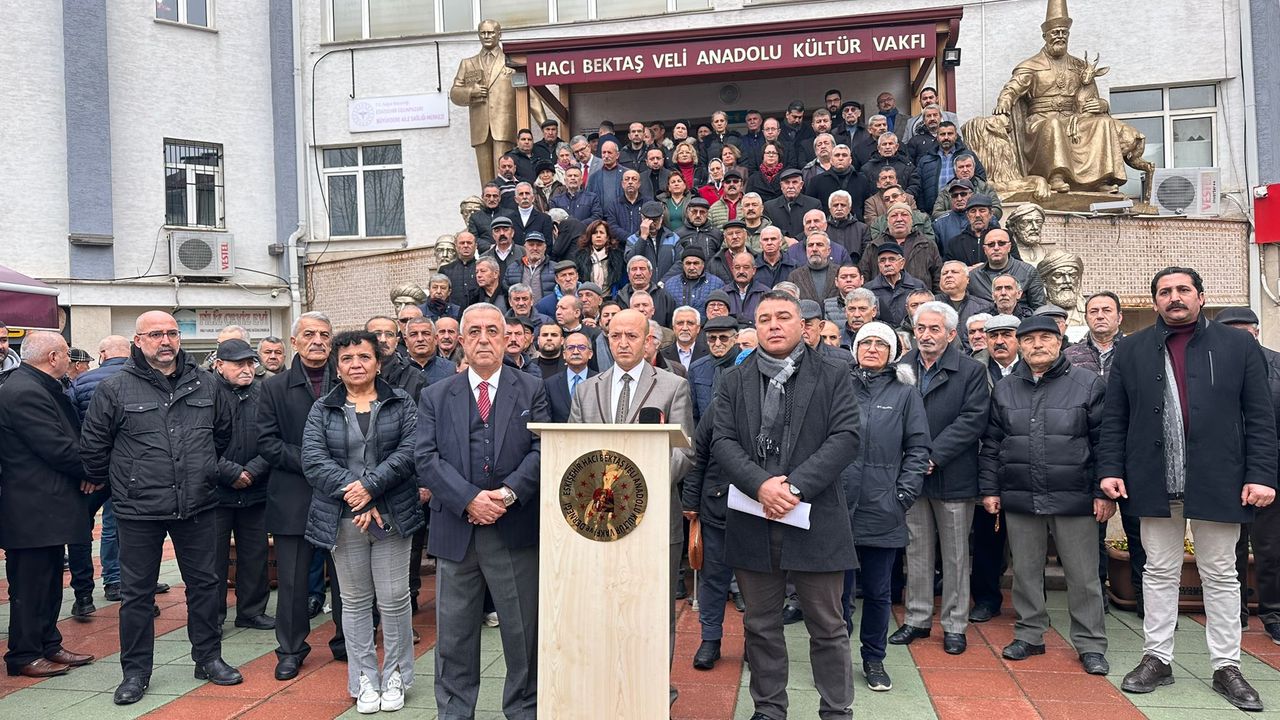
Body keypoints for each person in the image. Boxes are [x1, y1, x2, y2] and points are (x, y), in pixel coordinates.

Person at [1100, 267, 1276, 712]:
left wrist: (1261, 474)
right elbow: (1115, 417)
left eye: (1183, 289)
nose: (1174, 297)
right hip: (1153, 477)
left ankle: (1227, 666)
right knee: (1158, 571)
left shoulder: (1237, 346)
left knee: (1221, 573)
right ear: (1154, 301)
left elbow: (1259, 417)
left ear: (1201, 296)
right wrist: (1110, 469)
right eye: (1165, 291)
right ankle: (1157, 658)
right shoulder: (1132, 349)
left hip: (1220, 477)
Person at [80, 312, 242, 704]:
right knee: (137, 595)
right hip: (139, 508)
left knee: (206, 586)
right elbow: (94, 447)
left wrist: (201, 470)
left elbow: (223, 433)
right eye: (155, 334)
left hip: (198, 503)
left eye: (171, 333)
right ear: (138, 341)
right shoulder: (115, 388)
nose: (165, 340)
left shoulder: (207, 383)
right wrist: (126, 480)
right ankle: (135, 672)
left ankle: (208, 658)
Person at [713, 291, 860, 719]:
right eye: (764, 319)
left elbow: (846, 438)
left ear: (803, 325)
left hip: (815, 517)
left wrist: (793, 489)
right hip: (754, 515)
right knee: (760, 625)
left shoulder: (833, 373)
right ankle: (769, 708)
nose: (773, 325)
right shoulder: (734, 379)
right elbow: (722, 441)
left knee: (828, 626)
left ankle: (836, 710)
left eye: (783, 317)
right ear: (754, 327)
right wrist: (761, 485)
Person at [417, 303, 548, 719]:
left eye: (493, 330)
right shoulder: (436, 395)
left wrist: (506, 496)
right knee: (454, 638)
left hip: (514, 530)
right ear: (460, 340)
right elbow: (425, 458)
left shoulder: (532, 388)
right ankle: (455, 714)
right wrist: (469, 499)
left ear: (508, 337)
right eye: (474, 331)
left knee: (523, 635)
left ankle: (524, 711)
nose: (484, 339)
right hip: (456, 533)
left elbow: (543, 448)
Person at [569, 308, 695, 706]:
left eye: (632, 336)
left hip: (655, 518)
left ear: (648, 341)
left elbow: (684, 453)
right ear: (606, 341)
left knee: (653, 611)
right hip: (597, 523)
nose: (623, 343)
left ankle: (654, 690)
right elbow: (573, 454)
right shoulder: (586, 390)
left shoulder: (673, 386)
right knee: (599, 606)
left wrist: (635, 492)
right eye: (616, 336)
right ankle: (604, 685)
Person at [979, 315, 1112, 674]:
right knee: (1024, 571)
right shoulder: (1006, 389)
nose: (1037, 345)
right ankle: (1029, 634)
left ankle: (1090, 643)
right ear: (1020, 345)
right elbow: (992, 443)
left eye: (1045, 337)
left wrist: (1103, 491)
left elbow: (1104, 442)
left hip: (1076, 496)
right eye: (1029, 339)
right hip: (1020, 494)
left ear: (1059, 341)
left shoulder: (1087, 383)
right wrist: (989, 489)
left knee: (1083, 576)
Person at [302, 330, 424, 714]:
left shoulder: (401, 402)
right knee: (354, 602)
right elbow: (313, 461)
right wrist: (356, 494)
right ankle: (364, 679)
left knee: (394, 599)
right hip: (343, 518)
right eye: (347, 359)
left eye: (364, 357)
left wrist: (371, 488)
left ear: (378, 363)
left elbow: (410, 452)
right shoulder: (322, 408)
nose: (356, 364)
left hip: (392, 516)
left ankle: (396, 675)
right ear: (337, 368)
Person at [891, 302, 990, 656]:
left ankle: (954, 625)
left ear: (950, 334)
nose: (926, 335)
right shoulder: (901, 367)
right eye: (921, 329)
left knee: (956, 555)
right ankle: (917, 619)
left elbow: (973, 419)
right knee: (916, 549)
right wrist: (914, 459)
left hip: (953, 475)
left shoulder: (971, 370)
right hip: (912, 477)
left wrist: (932, 456)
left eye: (935, 329)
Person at [0, 331, 96, 678]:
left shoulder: (37, 385)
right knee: (30, 586)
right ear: (53, 357)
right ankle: (24, 654)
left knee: (50, 580)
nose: (71, 359)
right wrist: (94, 470)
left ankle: (47, 644)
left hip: (46, 505)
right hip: (32, 508)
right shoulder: (24, 390)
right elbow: (56, 447)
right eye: (67, 353)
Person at [841, 321, 930, 692]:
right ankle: (836, 659)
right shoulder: (839, 386)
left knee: (878, 593)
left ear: (892, 352)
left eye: (881, 343)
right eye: (866, 342)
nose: (872, 348)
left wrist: (903, 494)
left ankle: (874, 658)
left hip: (884, 506)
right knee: (837, 594)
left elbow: (918, 448)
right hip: (839, 505)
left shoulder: (906, 393)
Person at [259, 312, 347, 681]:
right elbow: (266, 442)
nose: (317, 341)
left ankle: (347, 642)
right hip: (294, 497)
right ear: (294, 342)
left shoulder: (349, 380)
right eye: (309, 334)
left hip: (343, 496)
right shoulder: (274, 388)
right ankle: (291, 650)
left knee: (347, 578)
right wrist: (315, 463)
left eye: (324, 334)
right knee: (293, 582)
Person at [1216, 307, 1280, 641]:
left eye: (1245, 331)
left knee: (1271, 548)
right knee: (1229, 549)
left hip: (1268, 471)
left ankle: (1274, 613)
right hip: (1224, 471)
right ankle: (1234, 612)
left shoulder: (1276, 365)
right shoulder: (1212, 366)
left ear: (1256, 331)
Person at [210, 339, 275, 633]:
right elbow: (196, 442)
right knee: (213, 560)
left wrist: (253, 471)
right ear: (219, 365)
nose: (247, 369)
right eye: (239, 364)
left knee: (255, 555)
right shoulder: (205, 393)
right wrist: (231, 472)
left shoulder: (264, 394)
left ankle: (251, 612)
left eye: (250, 363)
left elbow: (275, 437)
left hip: (256, 490)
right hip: (216, 493)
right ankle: (212, 616)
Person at [543, 331, 594, 423]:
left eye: (581, 347)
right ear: (564, 354)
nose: (575, 352)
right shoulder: (550, 384)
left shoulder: (601, 382)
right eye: (570, 348)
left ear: (590, 354)